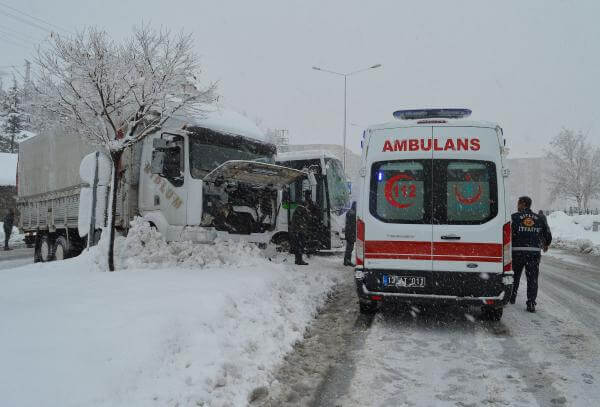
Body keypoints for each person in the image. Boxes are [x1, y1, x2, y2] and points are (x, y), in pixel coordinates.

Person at [511, 196, 552, 313]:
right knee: (532, 279)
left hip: (517, 253)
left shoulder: (514, 217)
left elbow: (507, 234)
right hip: (533, 253)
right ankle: (531, 303)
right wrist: (546, 244)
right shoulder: (539, 218)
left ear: (523, 204)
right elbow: (547, 234)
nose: (517, 205)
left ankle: (511, 298)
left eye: (518, 203)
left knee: (514, 277)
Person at [290, 194, 312, 265]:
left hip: (296, 231)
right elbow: (308, 219)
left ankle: (297, 260)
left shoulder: (297, 209)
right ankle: (299, 261)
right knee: (300, 246)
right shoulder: (303, 210)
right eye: (307, 205)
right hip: (300, 232)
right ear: (305, 205)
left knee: (297, 246)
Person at [344, 202, 357, 266]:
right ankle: (347, 261)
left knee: (349, 248)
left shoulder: (350, 212)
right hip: (351, 233)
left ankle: (347, 261)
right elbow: (353, 224)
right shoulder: (353, 213)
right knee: (349, 248)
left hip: (349, 232)